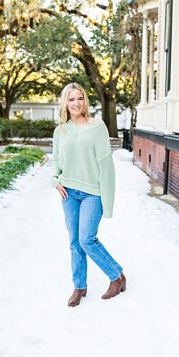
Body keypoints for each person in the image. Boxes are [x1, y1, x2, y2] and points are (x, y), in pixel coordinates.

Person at [50, 83, 125, 307]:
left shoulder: (97, 127)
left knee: (87, 239)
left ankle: (116, 276)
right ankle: (79, 286)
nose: (76, 103)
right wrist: (55, 181)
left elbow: (106, 167)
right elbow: (56, 163)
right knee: (74, 242)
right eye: (71, 99)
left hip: (93, 193)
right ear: (65, 103)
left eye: (79, 98)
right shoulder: (60, 131)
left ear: (85, 101)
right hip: (68, 193)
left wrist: (108, 203)